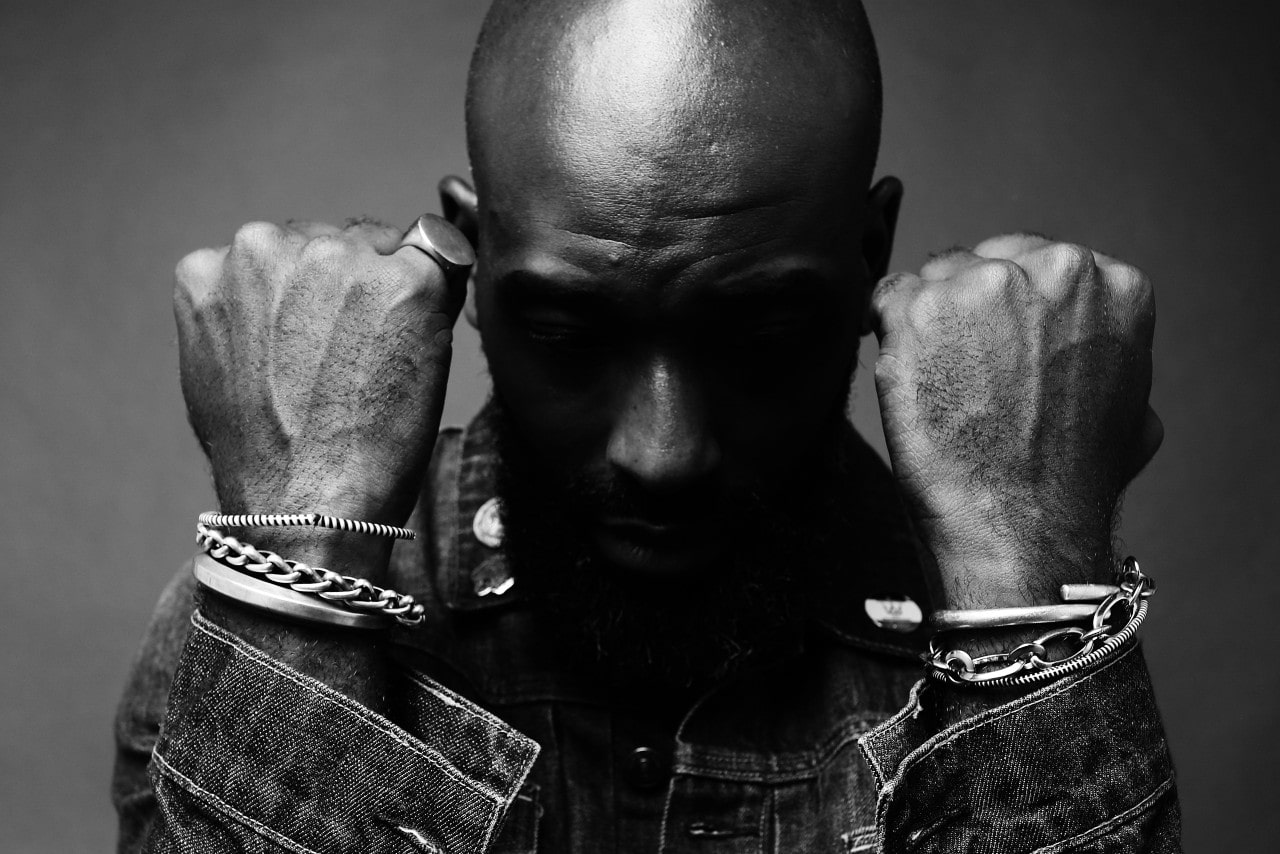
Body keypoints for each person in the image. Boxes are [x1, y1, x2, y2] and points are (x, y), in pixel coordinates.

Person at [113, 0, 1180, 851]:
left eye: (755, 329)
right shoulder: (246, 624)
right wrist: (302, 554)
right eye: (571, 329)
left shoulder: (1023, 605)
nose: (659, 452)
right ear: (474, 263)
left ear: (868, 252)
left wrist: (1018, 558)